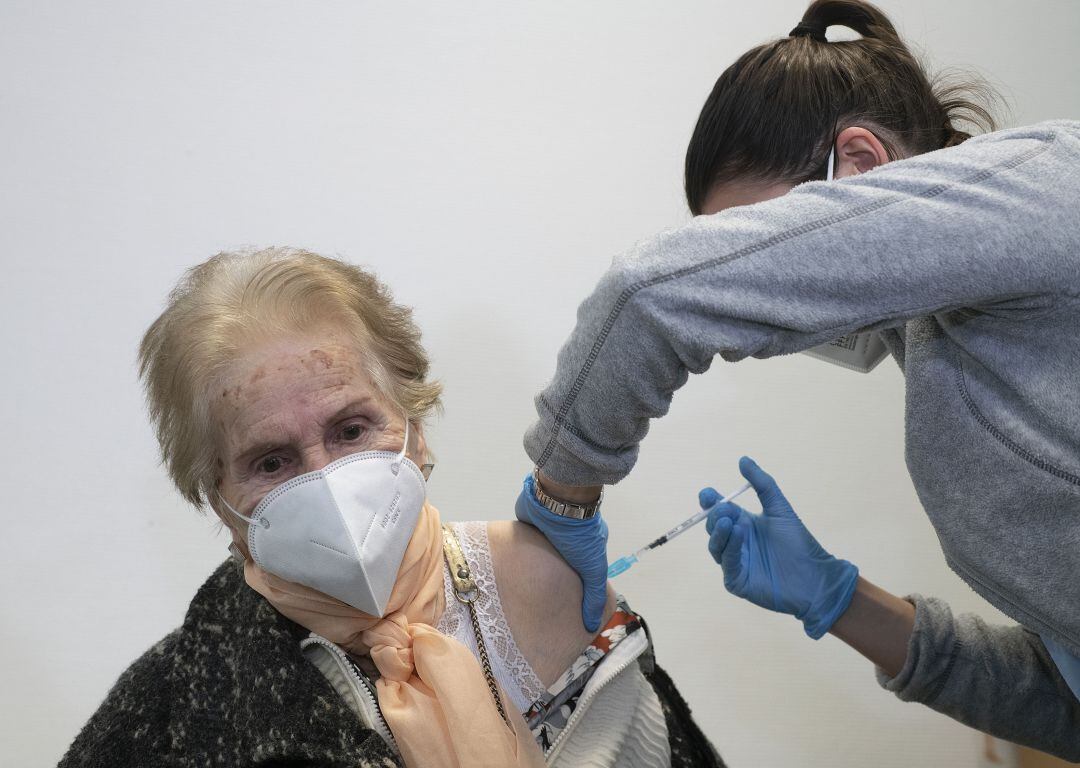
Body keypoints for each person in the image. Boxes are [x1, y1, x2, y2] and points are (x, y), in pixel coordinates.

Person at [515, 0, 1080, 759]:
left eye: (761, 237)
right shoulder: (943, 334)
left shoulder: (1052, 189)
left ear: (862, 164)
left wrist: (561, 505)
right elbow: (1062, 699)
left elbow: (649, 297)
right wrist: (837, 598)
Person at [59, 248, 723, 768]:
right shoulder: (175, 705)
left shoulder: (551, 587)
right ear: (220, 503)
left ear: (415, 426)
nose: (327, 480)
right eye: (271, 462)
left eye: (351, 430)